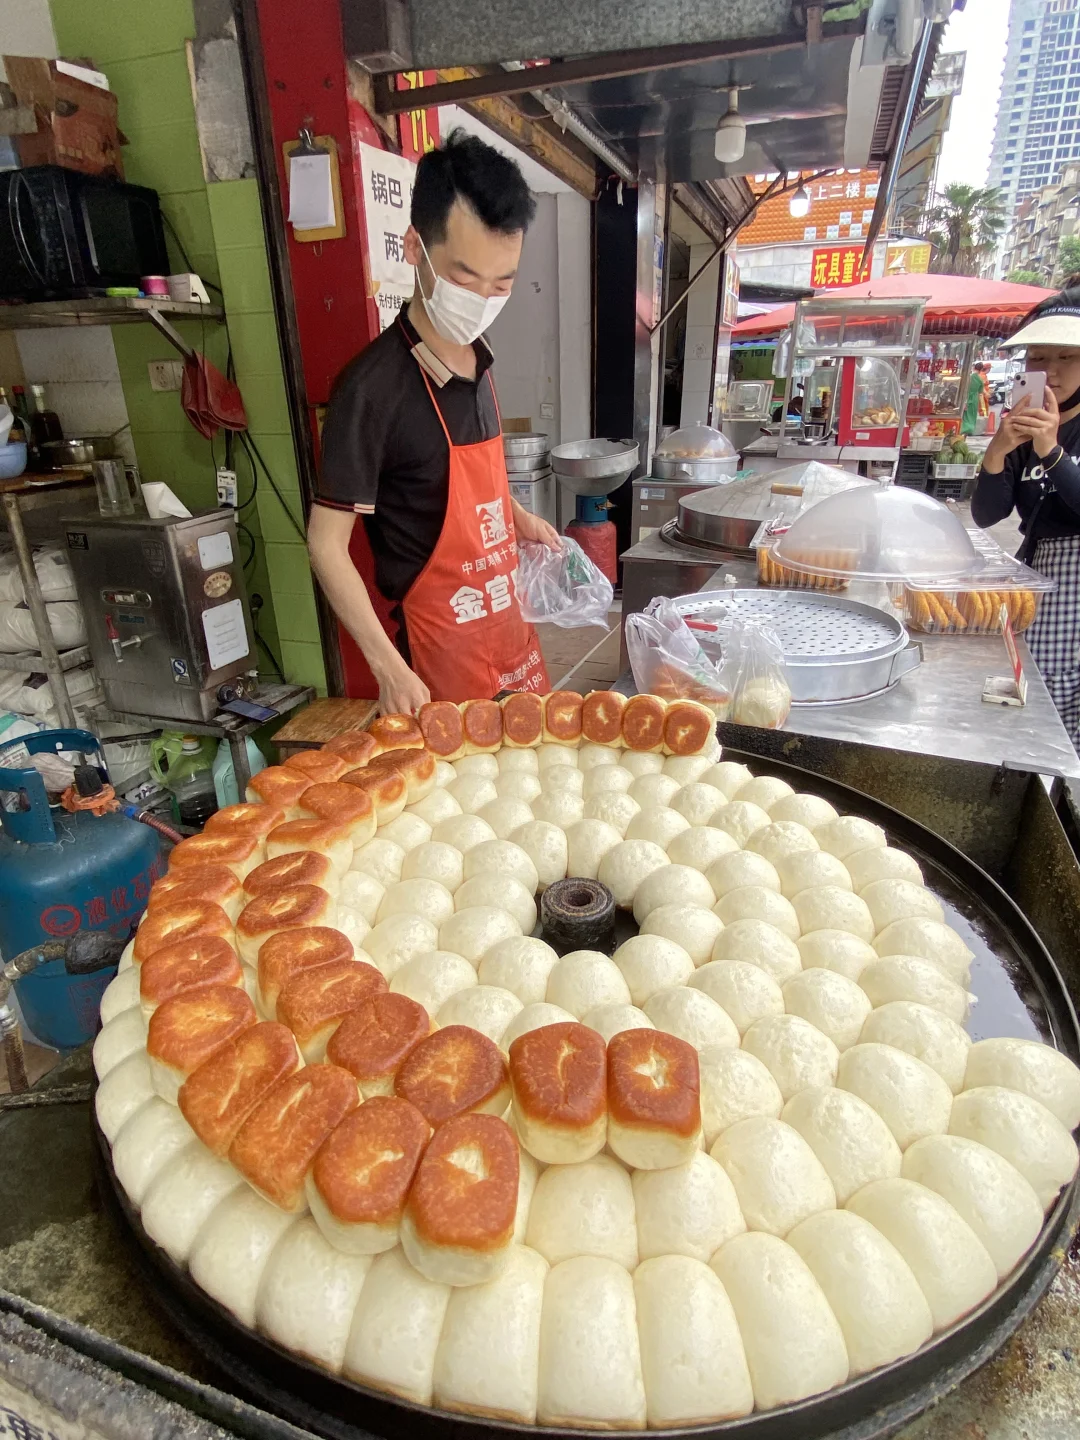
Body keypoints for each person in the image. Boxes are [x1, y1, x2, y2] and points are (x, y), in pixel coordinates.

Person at [308, 131, 560, 713]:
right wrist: (388, 668)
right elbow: (325, 545)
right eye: (466, 279)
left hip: (507, 633)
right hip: (435, 658)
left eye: (502, 283)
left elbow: (467, 479)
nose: (484, 299)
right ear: (414, 248)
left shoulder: (481, 357)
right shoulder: (370, 390)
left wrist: (516, 516)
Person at [972, 283, 1080, 743]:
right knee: (1034, 690)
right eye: (1037, 357)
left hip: (1074, 582)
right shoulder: (1025, 424)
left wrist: (1050, 450)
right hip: (1038, 571)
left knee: (1063, 698)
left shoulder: (1054, 434)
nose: (1049, 372)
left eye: (1066, 357)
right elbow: (986, 514)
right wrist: (998, 450)